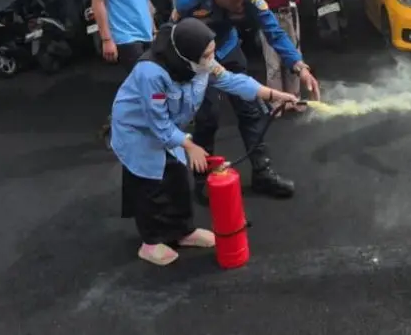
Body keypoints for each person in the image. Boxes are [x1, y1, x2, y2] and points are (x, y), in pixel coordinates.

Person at [110, 18, 300, 266]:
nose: (212, 60)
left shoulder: (198, 63)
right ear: (188, 55)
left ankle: (183, 232)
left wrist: (275, 95)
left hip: (169, 130)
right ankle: (151, 242)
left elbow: (232, 80)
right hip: (137, 131)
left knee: (177, 177)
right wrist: (190, 146)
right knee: (151, 184)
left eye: (213, 53)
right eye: (207, 55)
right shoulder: (152, 74)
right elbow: (157, 124)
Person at [170, 0, 322, 204]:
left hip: (228, 49)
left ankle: (263, 172)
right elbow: (173, 32)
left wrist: (300, 67)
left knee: (251, 110)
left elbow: (273, 30)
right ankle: (204, 180)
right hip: (199, 60)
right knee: (208, 118)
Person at [92, 0, 158, 140]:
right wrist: (106, 39)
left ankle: (116, 125)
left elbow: (145, 0)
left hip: (145, 34)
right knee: (145, 83)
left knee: (140, 86)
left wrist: (155, 30)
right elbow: (98, 1)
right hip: (125, 38)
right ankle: (137, 130)